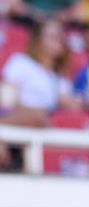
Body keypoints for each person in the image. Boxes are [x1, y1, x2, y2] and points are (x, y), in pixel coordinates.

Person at [0, 17, 81, 168]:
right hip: (16, 116)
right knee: (38, 116)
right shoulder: (21, 62)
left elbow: (70, 103)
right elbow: (7, 99)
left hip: (38, 126)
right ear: (38, 40)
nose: (59, 41)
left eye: (61, 36)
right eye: (53, 36)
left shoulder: (59, 78)